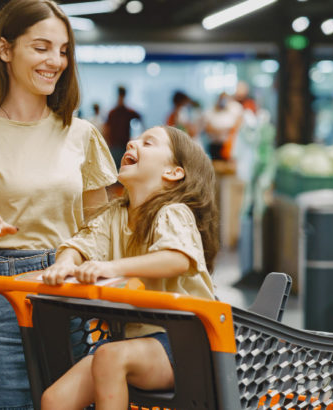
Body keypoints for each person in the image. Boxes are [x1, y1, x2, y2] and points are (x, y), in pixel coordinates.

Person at [0, 0, 118, 408]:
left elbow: (102, 229)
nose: (56, 61)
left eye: (63, 50)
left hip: (71, 297)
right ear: (5, 49)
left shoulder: (80, 134)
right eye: (42, 47)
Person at [40, 125, 219, 410]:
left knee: (110, 357)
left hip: (188, 345)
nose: (134, 142)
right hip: (131, 344)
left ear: (173, 172)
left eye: (149, 143)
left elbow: (176, 259)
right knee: (54, 399)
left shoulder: (173, 212)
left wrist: (111, 268)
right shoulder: (114, 215)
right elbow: (80, 245)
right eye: (136, 138)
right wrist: (63, 265)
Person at [104, 85, 143, 166]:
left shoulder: (114, 112)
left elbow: (106, 130)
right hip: (117, 146)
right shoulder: (116, 112)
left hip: (121, 146)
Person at [204, 92, 243, 160]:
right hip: (214, 144)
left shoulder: (233, 111)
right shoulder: (211, 112)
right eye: (221, 99)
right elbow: (207, 128)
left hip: (227, 145)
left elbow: (238, 124)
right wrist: (221, 131)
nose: (223, 101)